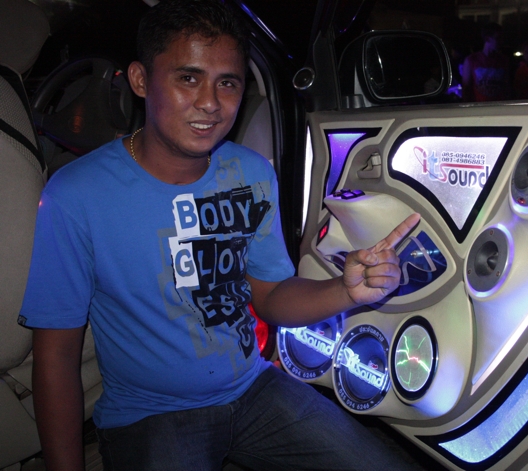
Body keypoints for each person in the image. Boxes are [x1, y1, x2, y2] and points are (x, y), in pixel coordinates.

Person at [18, 1, 420, 470]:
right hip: (151, 415)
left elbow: (271, 296)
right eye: (188, 78)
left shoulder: (251, 172)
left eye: (227, 82)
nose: (210, 102)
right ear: (141, 80)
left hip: (254, 389)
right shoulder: (77, 194)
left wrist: (345, 290)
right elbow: (56, 355)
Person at [461, 22, 511, 102]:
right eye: (498, 38)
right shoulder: (471, 60)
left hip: (499, 107)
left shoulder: (504, 60)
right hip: (479, 107)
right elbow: (466, 89)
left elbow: (506, 88)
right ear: (487, 39)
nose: (501, 41)